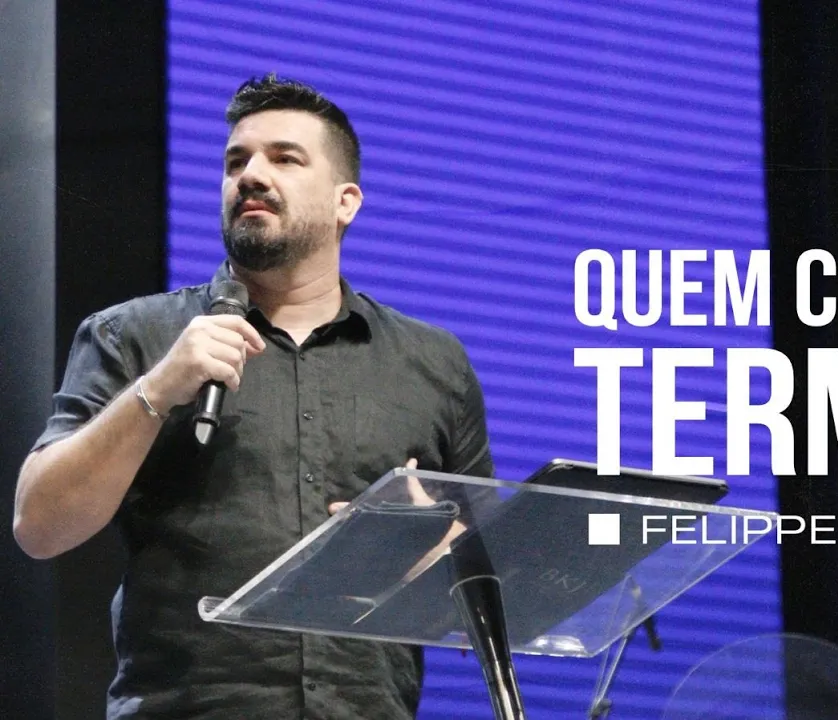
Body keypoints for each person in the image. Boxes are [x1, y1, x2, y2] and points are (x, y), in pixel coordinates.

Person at [12, 74, 495, 719]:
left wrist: (428, 548)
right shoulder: (135, 335)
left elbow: (491, 593)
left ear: (346, 202)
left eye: (285, 159)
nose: (251, 176)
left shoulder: (433, 363)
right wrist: (157, 389)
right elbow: (40, 525)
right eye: (236, 162)